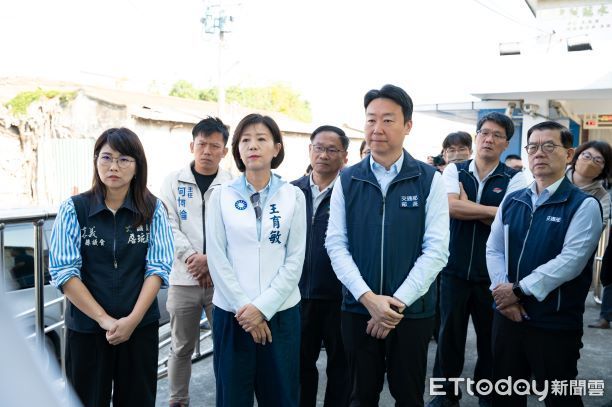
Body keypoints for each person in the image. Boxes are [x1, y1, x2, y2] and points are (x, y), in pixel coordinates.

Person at [326, 84, 450, 406]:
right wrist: (369, 300)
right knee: (359, 396)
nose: (377, 128)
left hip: (411, 312)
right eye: (371, 120)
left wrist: (394, 304)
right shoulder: (347, 179)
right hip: (358, 310)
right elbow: (336, 245)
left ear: (408, 126)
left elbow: (436, 250)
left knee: (408, 396)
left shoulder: (429, 179)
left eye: (388, 120)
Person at [49, 127, 174, 407]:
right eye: (106, 158)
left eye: (124, 159)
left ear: (137, 166)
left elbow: (157, 268)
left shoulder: (153, 209)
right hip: (88, 328)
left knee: (137, 400)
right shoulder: (74, 209)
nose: (113, 167)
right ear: (96, 161)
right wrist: (104, 319)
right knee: (86, 400)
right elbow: (64, 271)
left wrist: (132, 320)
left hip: (139, 326)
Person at [486, 121, 602, 407]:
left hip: (554, 322)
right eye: (533, 147)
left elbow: (571, 261)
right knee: (505, 395)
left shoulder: (583, 205)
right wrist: (504, 295)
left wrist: (517, 290)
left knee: (560, 396)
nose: (539, 153)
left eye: (549, 146)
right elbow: (494, 249)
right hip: (508, 318)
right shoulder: (512, 201)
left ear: (569, 154)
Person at [206, 113, 306, 407]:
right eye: (245, 140)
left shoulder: (293, 196)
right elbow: (217, 257)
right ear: (237, 150)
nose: (253, 145)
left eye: (261, 139)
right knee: (232, 397)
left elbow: (295, 259)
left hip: (281, 314)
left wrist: (262, 308)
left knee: (281, 397)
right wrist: (246, 310)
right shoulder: (221, 196)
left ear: (276, 148)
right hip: (232, 314)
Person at [429, 112, 526, 407]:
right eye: (484, 132)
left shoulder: (515, 177)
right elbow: (449, 208)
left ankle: (489, 396)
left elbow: (509, 221)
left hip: (493, 276)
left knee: (491, 340)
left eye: (497, 135)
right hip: (454, 270)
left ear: (506, 143)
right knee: (449, 338)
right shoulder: (455, 170)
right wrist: (489, 211)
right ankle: (444, 396)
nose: (489, 139)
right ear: (477, 136)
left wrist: (467, 205)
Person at [159, 117, 233, 407]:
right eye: (202, 144)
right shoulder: (173, 181)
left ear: (224, 151)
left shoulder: (232, 184)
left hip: (222, 282)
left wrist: (211, 261)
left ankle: (227, 398)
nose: (207, 151)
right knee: (180, 347)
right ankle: (178, 400)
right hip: (182, 278)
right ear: (192, 146)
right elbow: (167, 224)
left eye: (215, 146)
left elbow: (235, 230)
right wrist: (192, 257)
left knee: (227, 345)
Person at [291, 125, 350, 407]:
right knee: (300, 364)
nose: (323, 155)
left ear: (345, 156)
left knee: (341, 366)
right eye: (318, 148)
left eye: (332, 149)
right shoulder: (291, 192)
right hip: (296, 295)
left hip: (340, 296)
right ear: (309, 150)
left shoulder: (351, 191)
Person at [565, 140, 612, 329]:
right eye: (587, 156)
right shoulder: (554, 179)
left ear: (604, 168)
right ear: (576, 156)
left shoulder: (602, 197)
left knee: (566, 318)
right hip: (536, 255)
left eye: (598, 160)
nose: (590, 161)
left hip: (576, 264)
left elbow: (593, 231)